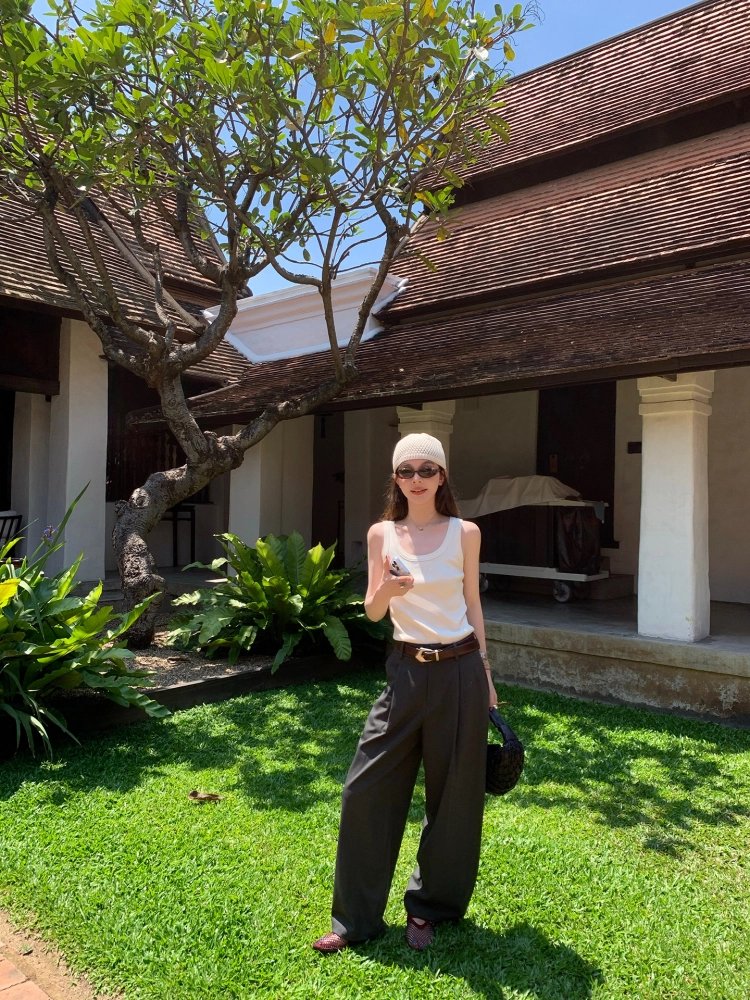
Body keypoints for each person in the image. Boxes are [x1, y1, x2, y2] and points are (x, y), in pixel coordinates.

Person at [313, 432, 498, 954]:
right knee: (364, 789)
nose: (416, 479)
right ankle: (355, 920)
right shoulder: (382, 535)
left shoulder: (465, 533)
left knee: (455, 796)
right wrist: (389, 589)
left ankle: (429, 907)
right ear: (395, 479)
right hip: (405, 671)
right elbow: (373, 611)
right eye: (406, 471)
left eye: (426, 469)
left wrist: (486, 674)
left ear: (442, 476)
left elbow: (472, 604)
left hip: (460, 668)